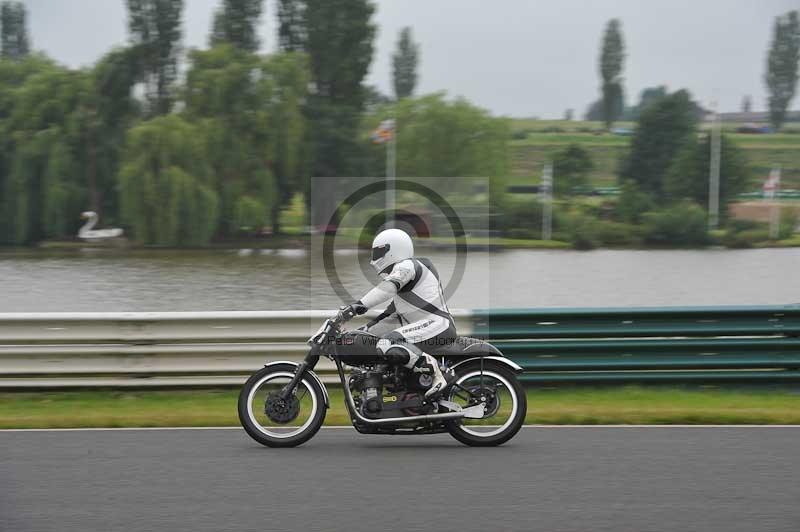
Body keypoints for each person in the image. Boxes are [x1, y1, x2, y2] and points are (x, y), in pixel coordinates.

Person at [337, 228, 456, 398]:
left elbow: (386, 289)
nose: (374, 258)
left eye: (378, 251)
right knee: (376, 343)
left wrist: (356, 306)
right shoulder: (406, 289)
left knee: (388, 342)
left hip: (437, 324)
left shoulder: (409, 266)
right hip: (422, 326)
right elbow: (388, 314)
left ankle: (435, 374)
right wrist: (364, 330)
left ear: (393, 249)